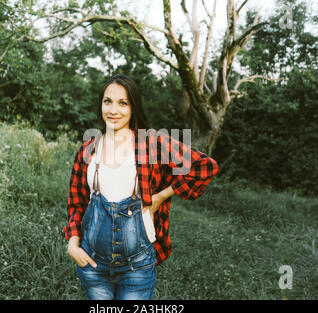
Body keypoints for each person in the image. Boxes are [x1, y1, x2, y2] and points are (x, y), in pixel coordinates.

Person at [62, 74, 219, 300]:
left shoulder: (152, 143)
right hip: (92, 264)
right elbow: (76, 203)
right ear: (101, 104)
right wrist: (73, 243)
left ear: (133, 107)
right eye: (108, 101)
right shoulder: (88, 150)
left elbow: (204, 166)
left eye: (122, 103)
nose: (113, 110)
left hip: (137, 268)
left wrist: (161, 196)